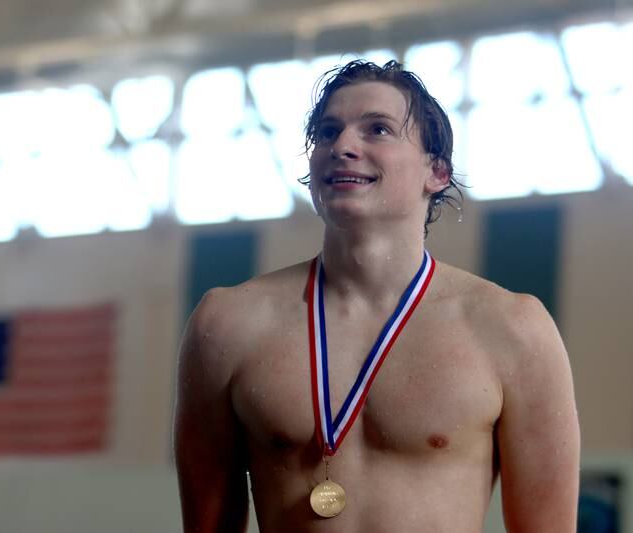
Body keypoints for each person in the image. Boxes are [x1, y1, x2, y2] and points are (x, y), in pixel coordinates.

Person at [173, 59, 580, 532]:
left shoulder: (511, 328)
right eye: (327, 132)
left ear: (437, 172)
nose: (342, 146)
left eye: (378, 130)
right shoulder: (226, 324)